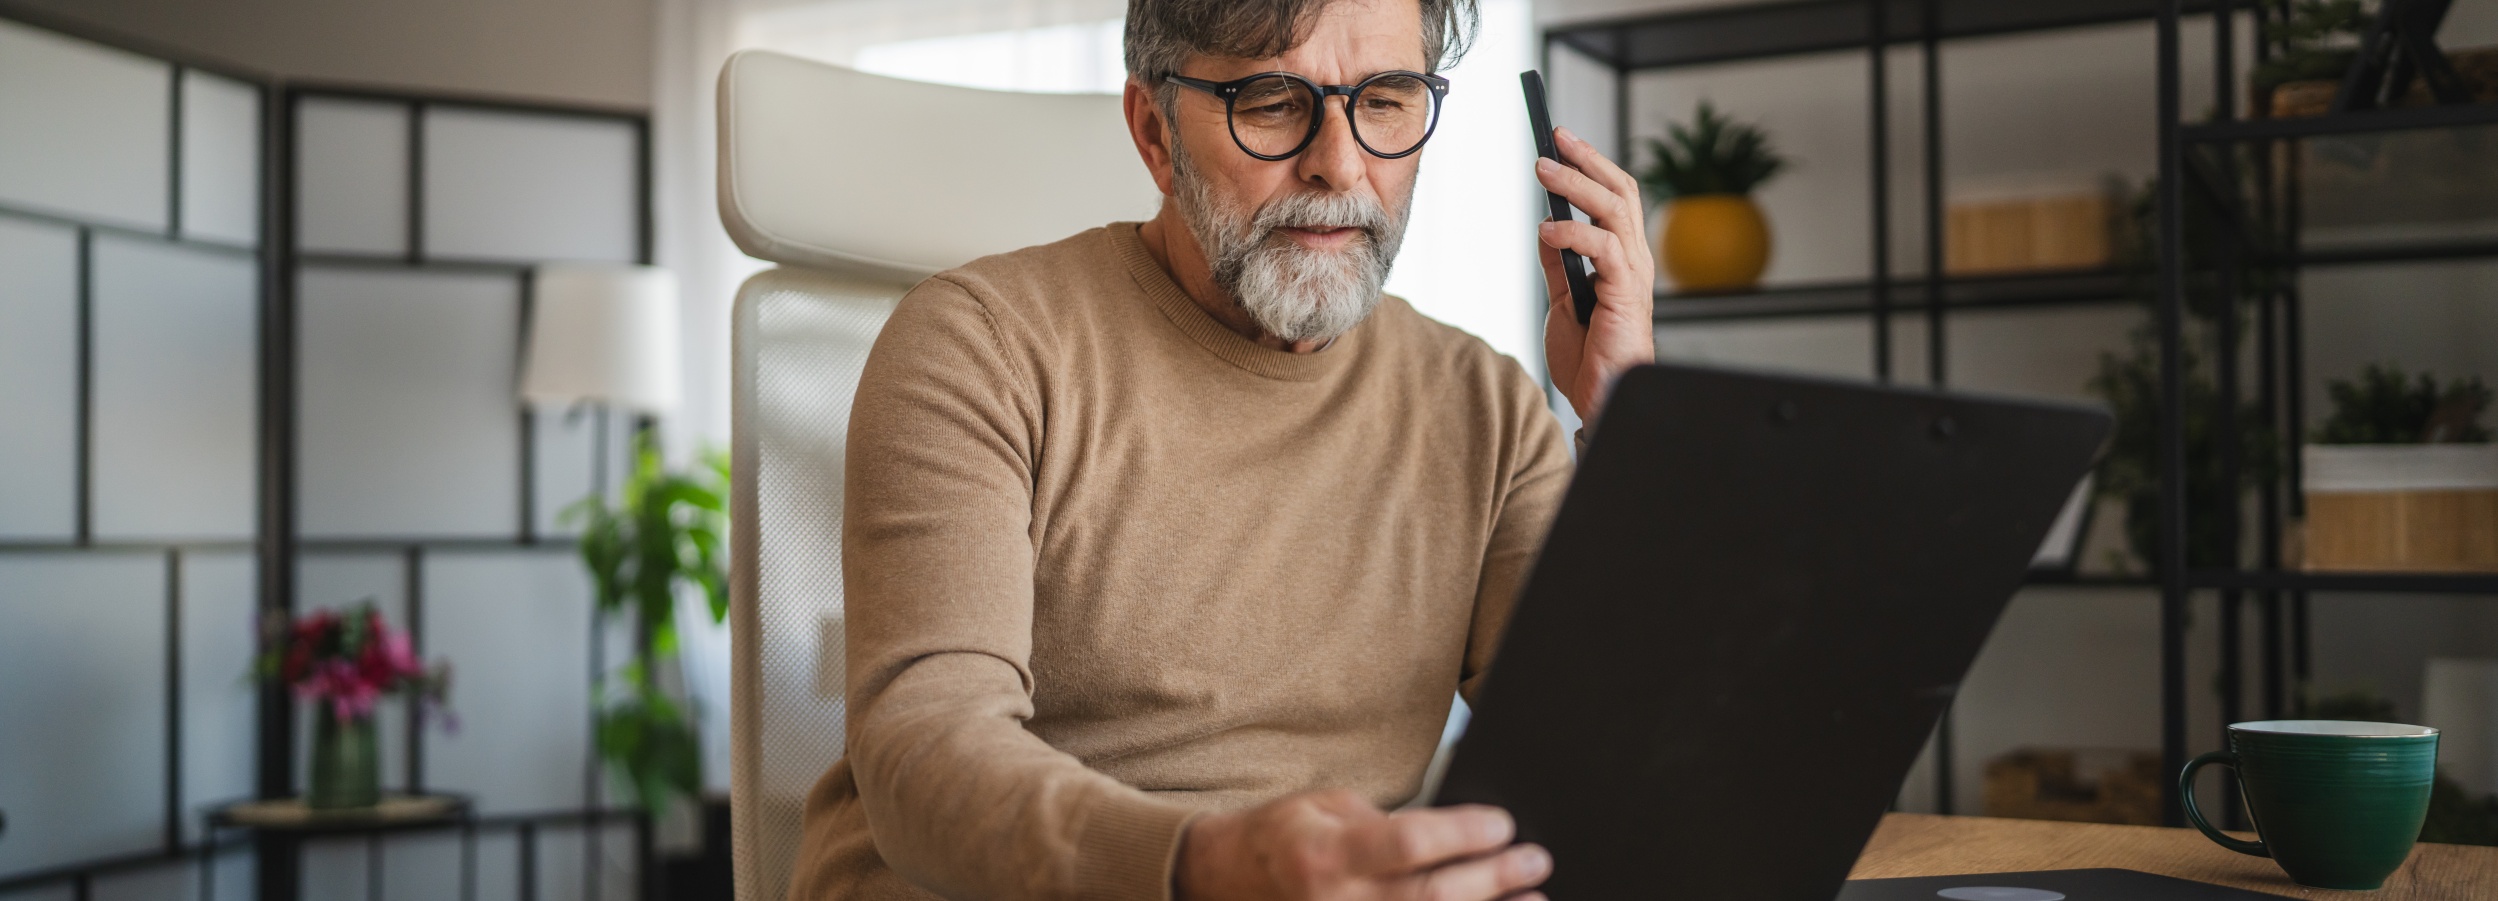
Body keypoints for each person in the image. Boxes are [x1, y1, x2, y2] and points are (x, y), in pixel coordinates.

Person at [785, 0, 1656, 897]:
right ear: (1154, 131)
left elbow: (1616, 756)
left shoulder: (1490, 408)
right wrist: (1212, 867)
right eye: (1274, 101)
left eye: (1388, 99)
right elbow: (924, 759)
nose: (1341, 166)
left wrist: (1628, 424)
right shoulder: (981, 347)